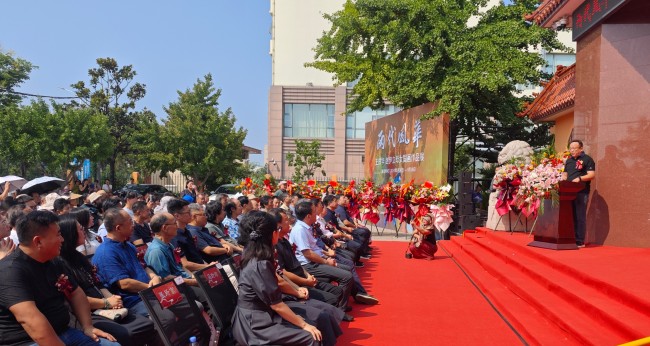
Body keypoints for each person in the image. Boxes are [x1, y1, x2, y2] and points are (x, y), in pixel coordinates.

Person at [0, 211, 117, 345]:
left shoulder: (54, 261)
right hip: (28, 341)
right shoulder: (10, 271)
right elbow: (30, 320)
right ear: (38, 241)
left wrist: (88, 327)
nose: (62, 239)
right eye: (58, 234)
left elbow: (76, 293)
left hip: (63, 332)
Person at [55, 214, 158, 346]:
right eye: (80, 229)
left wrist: (112, 299)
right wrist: (106, 303)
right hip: (89, 313)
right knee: (126, 333)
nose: (84, 232)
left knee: (146, 324)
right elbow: (75, 299)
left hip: (106, 305)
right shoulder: (61, 264)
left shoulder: (79, 257)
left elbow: (97, 283)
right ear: (71, 234)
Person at [231, 211, 322, 346]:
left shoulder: (253, 252)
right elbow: (277, 305)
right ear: (273, 234)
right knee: (311, 337)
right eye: (277, 229)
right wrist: (303, 325)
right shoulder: (259, 263)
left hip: (260, 314)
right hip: (255, 325)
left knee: (313, 321)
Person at [92, 208, 163, 317]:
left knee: (188, 302)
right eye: (130, 222)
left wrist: (154, 277)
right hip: (135, 301)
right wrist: (151, 288)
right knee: (167, 315)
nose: (133, 224)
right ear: (119, 228)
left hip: (149, 293)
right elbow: (125, 284)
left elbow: (144, 266)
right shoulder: (106, 253)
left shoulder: (128, 245)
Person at [563, 139, 596, 247]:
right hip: (568, 192)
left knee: (580, 216)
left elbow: (591, 175)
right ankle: (570, 238)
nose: (572, 151)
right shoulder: (569, 161)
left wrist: (580, 179)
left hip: (581, 192)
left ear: (581, 149)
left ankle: (579, 241)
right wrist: (562, 181)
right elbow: (565, 175)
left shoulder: (587, 159)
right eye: (570, 148)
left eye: (574, 148)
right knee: (570, 216)